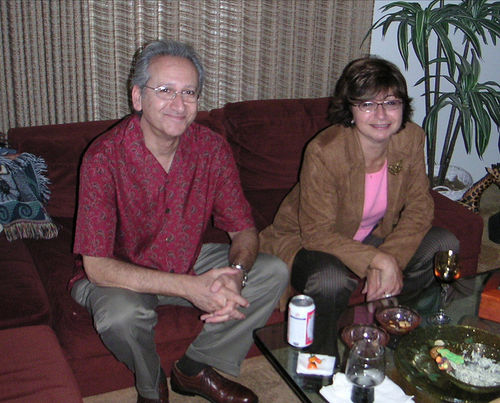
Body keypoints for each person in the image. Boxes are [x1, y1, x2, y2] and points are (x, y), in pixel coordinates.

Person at [70, 39, 288, 403]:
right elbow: (97, 267)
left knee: (272, 272)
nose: (179, 104)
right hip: (120, 272)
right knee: (120, 317)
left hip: (187, 258)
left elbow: (243, 230)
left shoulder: (212, 149)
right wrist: (189, 288)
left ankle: (194, 369)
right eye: (165, 91)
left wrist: (236, 273)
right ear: (138, 97)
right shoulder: (103, 158)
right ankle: (151, 384)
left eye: (189, 92)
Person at [259, 56, 459, 355]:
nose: (381, 114)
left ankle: (395, 334)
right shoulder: (325, 151)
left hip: (371, 234)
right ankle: (319, 362)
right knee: (330, 280)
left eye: (391, 102)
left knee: (443, 244)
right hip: (308, 241)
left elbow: (420, 206)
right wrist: (377, 260)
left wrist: (389, 258)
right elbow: (316, 233)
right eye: (367, 104)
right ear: (350, 110)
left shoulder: (410, 138)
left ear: (403, 106)